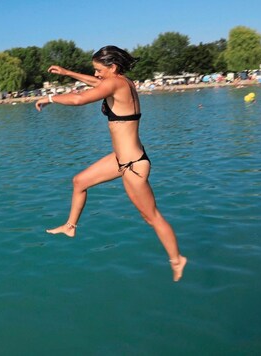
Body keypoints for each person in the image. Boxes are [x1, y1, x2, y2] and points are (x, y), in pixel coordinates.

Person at [35, 45, 187, 282]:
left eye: (98, 70)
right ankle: (70, 226)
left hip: (133, 166)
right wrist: (67, 73)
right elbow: (96, 84)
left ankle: (177, 259)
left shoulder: (114, 84)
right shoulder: (122, 82)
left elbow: (78, 99)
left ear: (112, 67)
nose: (95, 74)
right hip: (121, 159)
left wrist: (50, 97)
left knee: (152, 217)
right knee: (79, 181)